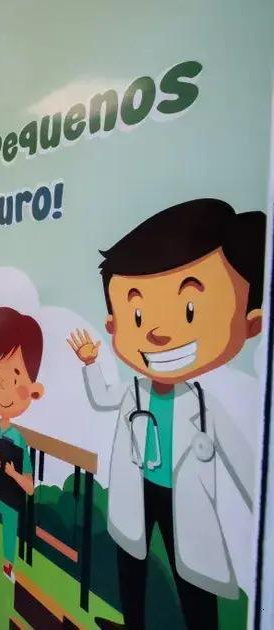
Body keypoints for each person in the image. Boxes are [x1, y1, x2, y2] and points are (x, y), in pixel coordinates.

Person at [66, 199, 264, 630]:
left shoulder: (204, 406)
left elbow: (246, 464)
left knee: (190, 576)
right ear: (115, 324)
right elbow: (102, 397)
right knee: (130, 565)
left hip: (180, 498)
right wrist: (90, 363)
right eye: (137, 315)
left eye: (190, 311)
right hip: (140, 489)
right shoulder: (134, 393)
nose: (157, 333)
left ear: (251, 323)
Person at [0, 307, 43, 583]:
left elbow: (30, 486)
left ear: (33, 391)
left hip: (10, 493)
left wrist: (14, 474)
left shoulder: (19, 440)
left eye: (14, 378)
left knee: (10, 526)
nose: (3, 386)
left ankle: (7, 563)